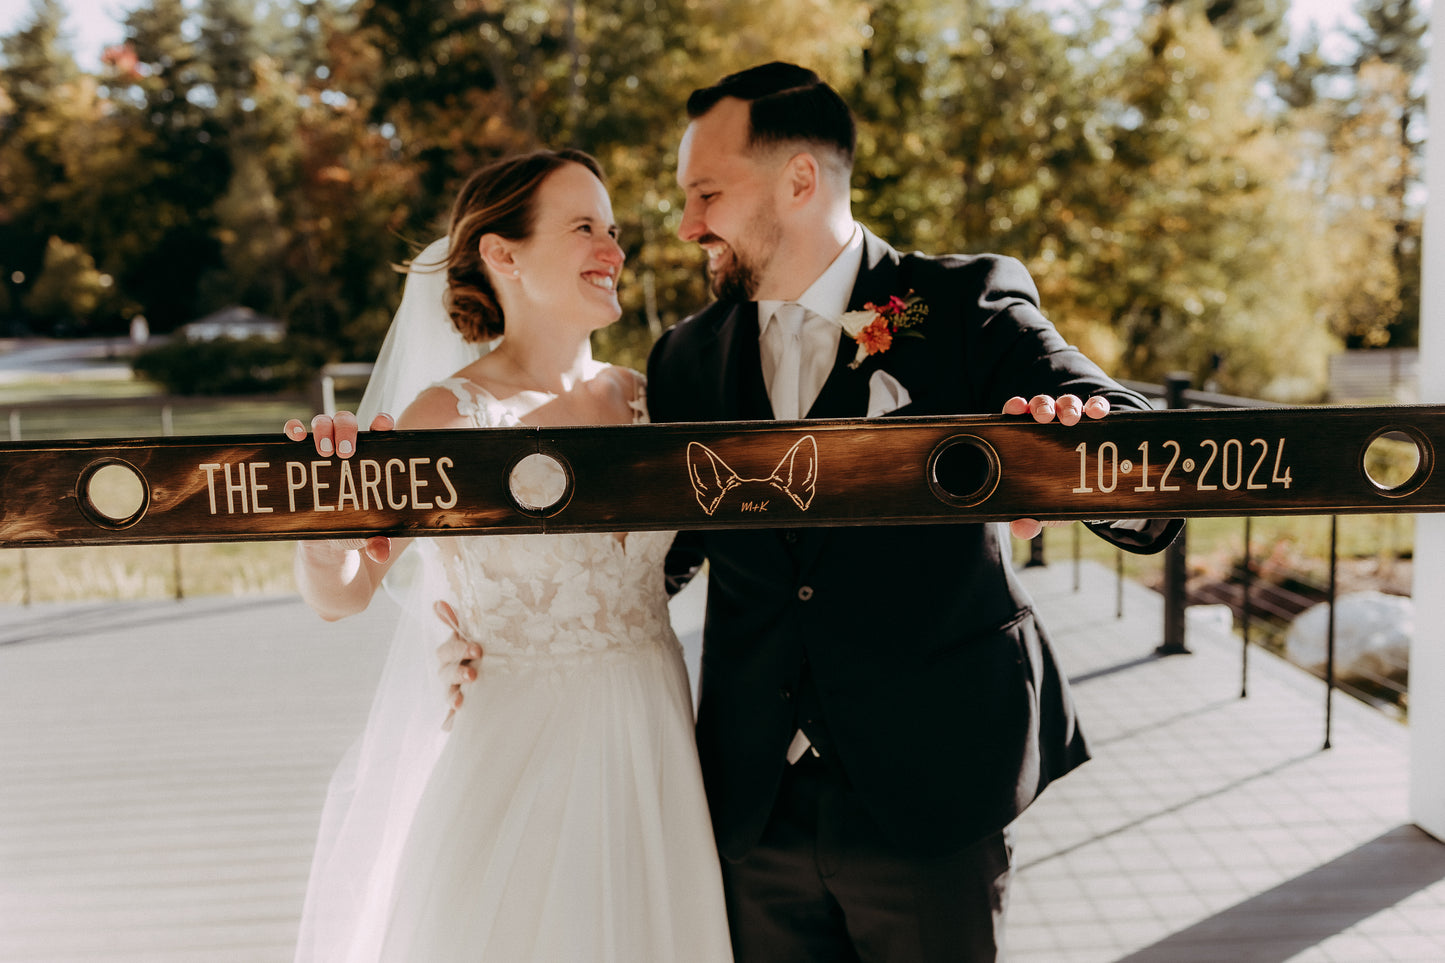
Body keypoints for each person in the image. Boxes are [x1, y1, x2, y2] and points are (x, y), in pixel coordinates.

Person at [643, 63, 1183, 961]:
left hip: (930, 790)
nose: (688, 224)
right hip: (752, 806)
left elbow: (1127, 442)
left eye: (706, 193)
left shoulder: (964, 305)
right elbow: (671, 548)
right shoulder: (684, 358)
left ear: (800, 180)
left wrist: (1080, 444)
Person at [287, 149, 732, 963]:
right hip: (526, 751)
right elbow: (343, 592)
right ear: (503, 255)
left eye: (613, 229)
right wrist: (325, 534)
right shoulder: (450, 416)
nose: (613, 248)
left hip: (656, 742)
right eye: (583, 228)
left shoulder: (649, 398)